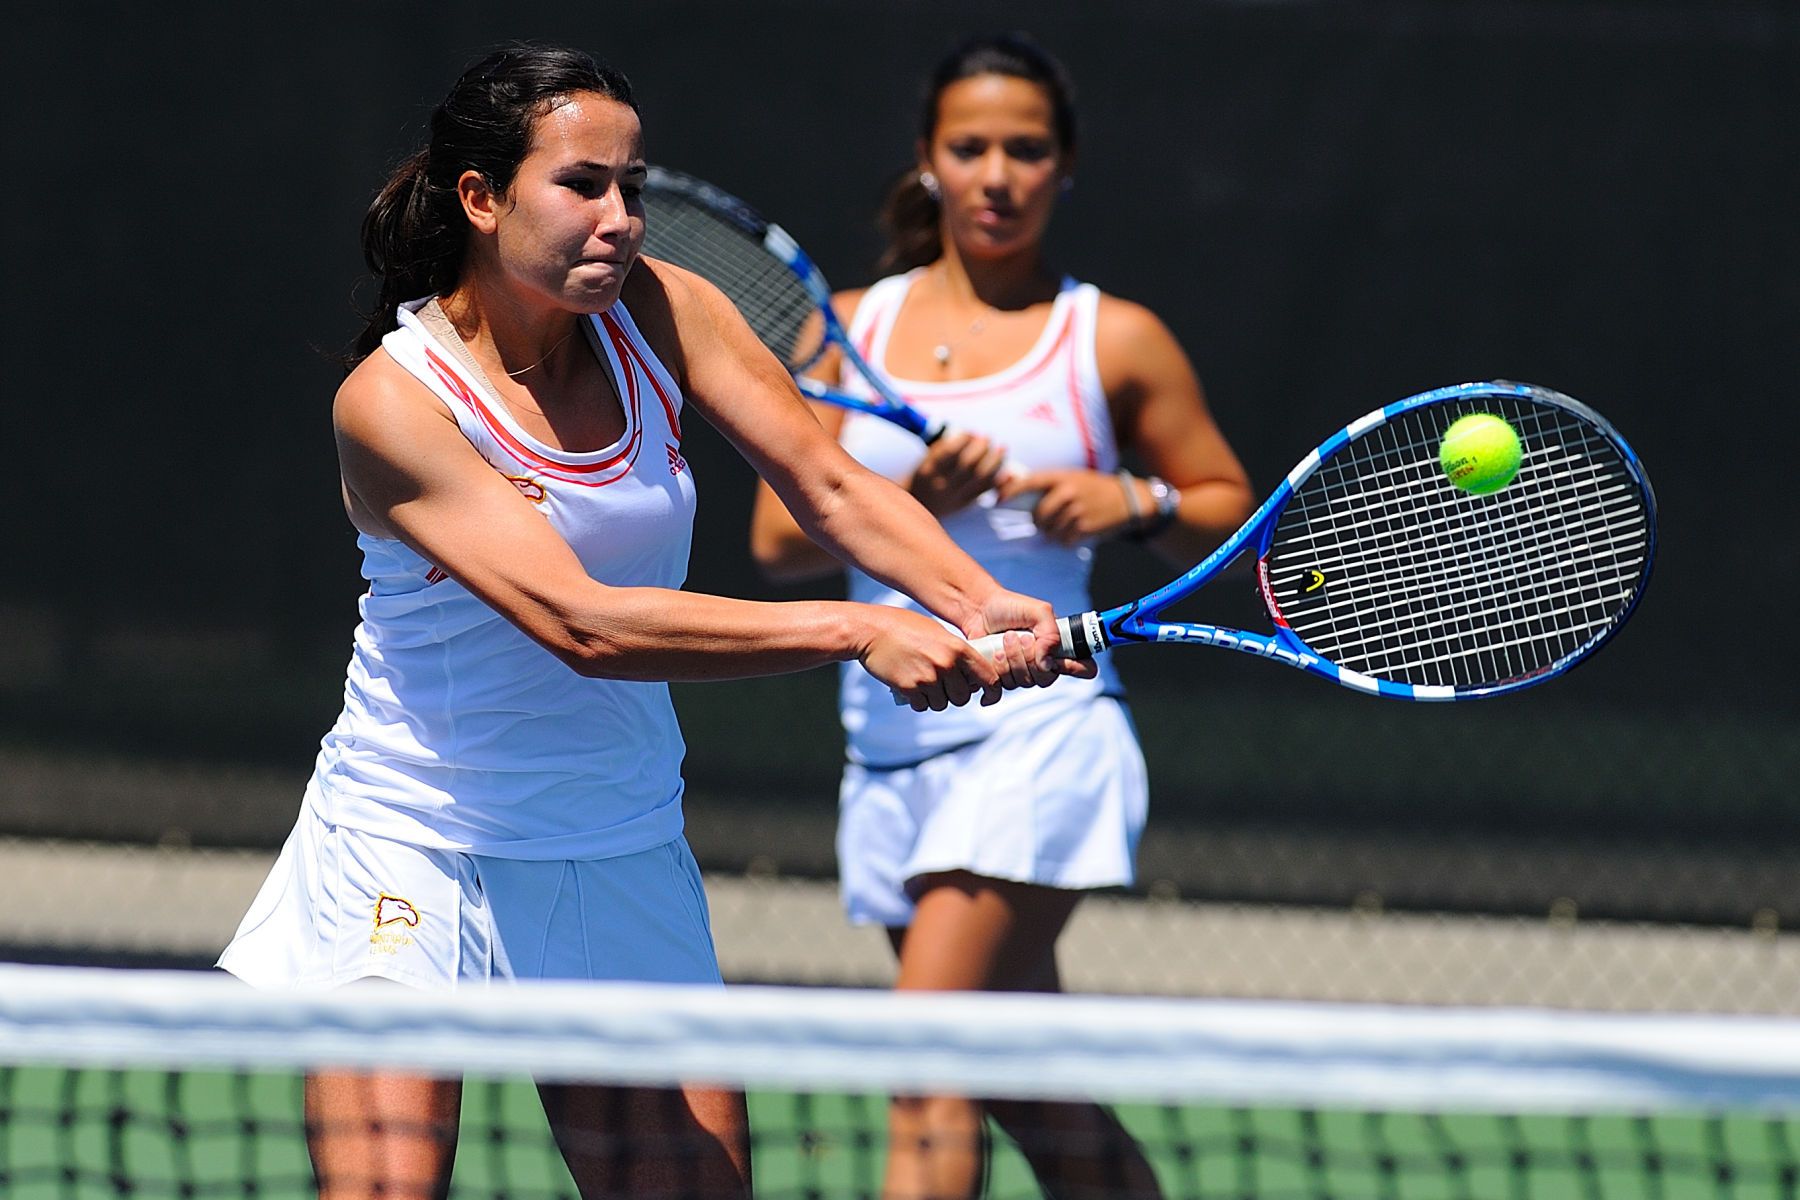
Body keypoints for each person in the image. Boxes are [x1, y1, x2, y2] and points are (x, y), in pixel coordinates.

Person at [215, 42, 1079, 1200]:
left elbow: (829, 485)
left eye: (631, 185)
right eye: (582, 185)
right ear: (481, 198)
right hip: (409, 839)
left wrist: (979, 603)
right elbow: (586, 626)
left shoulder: (668, 311)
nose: (620, 218)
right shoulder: (392, 402)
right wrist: (856, 630)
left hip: (615, 839)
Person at [749, 31, 1255, 1200]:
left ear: (1063, 167)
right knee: (1030, 1091)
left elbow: (1232, 519)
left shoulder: (1112, 337)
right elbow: (778, 542)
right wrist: (911, 499)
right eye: (970, 148)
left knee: (926, 1067)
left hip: (1041, 734)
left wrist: (1138, 500)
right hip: (891, 746)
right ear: (928, 160)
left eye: (1025, 151)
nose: (996, 176)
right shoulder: (848, 328)